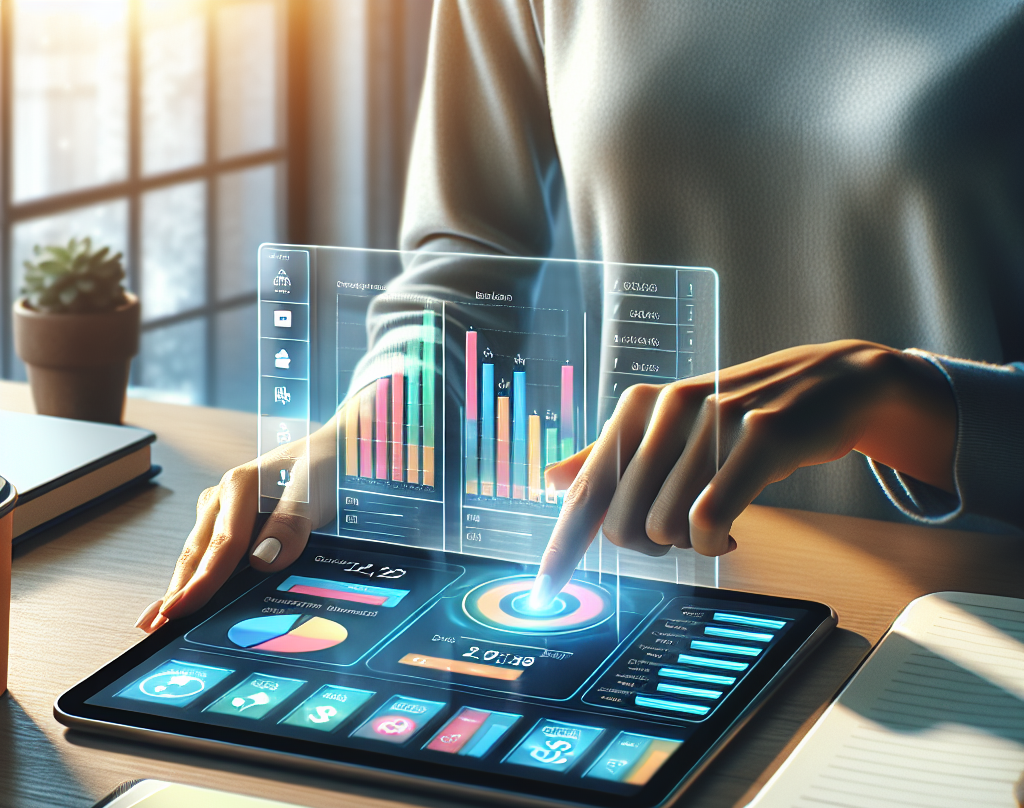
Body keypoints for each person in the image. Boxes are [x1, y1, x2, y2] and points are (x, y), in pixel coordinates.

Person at [137, 0, 1023, 633]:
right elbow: (461, 260)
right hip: (643, 589)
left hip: (967, 618)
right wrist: (376, 428)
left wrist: (911, 402)